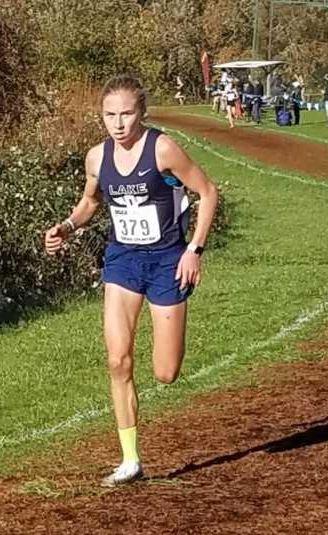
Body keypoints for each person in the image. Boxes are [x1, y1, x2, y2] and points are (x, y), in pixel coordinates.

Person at [44, 74, 219, 486]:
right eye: (110, 115)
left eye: (126, 114)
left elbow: (207, 193)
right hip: (122, 261)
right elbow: (91, 202)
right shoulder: (96, 158)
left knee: (165, 372)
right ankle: (130, 460)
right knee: (117, 360)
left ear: (141, 113)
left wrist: (194, 250)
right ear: (101, 116)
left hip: (166, 262)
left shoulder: (162, 149)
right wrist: (66, 227)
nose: (118, 123)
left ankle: (170, 340)